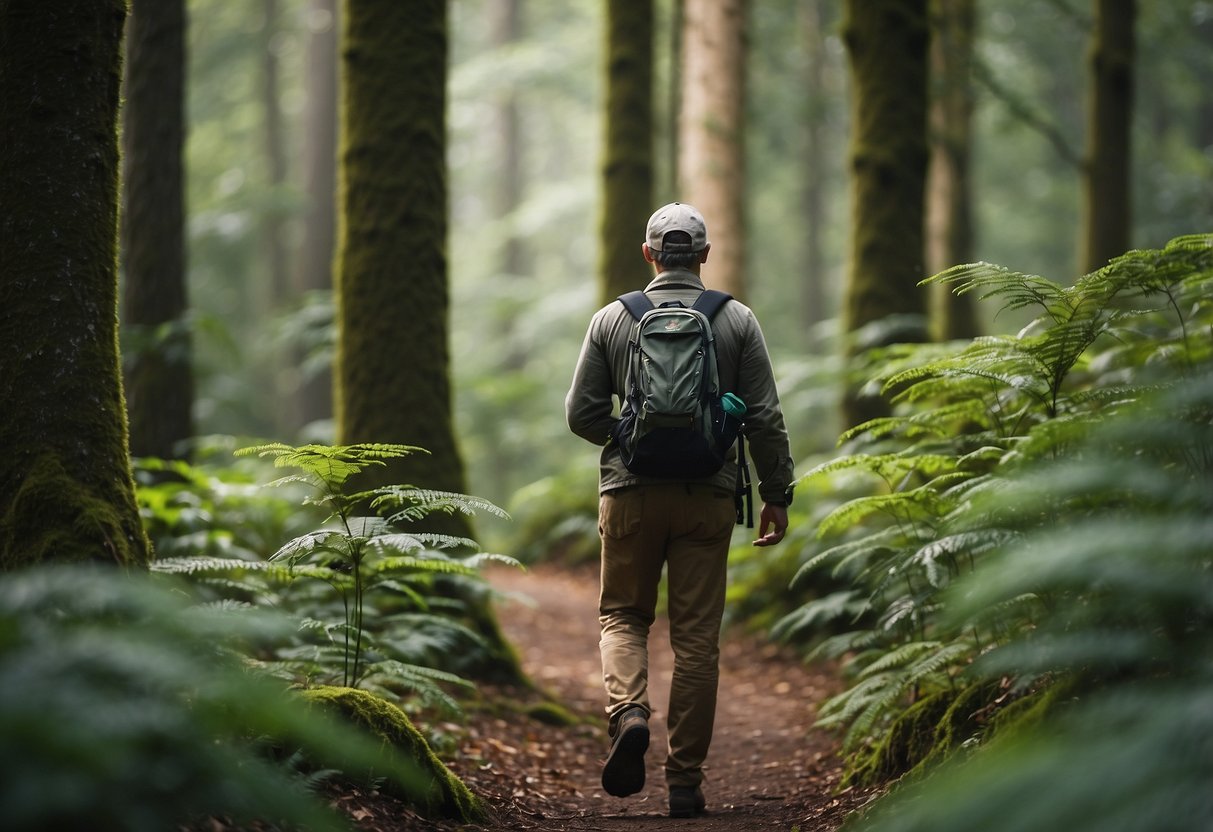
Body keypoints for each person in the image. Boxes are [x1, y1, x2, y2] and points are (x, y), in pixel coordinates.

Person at [565, 202, 795, 818]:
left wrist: (628, 435)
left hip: (629, 492)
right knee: (696, 641)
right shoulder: (736, 319)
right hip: (709, 496)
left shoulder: (612, 320)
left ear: (648, 255)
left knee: (623, 617)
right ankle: (685, 781)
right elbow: (766, 417)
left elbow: (580, 415)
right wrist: (777, 493)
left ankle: (630, 714)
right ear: (704, 255)